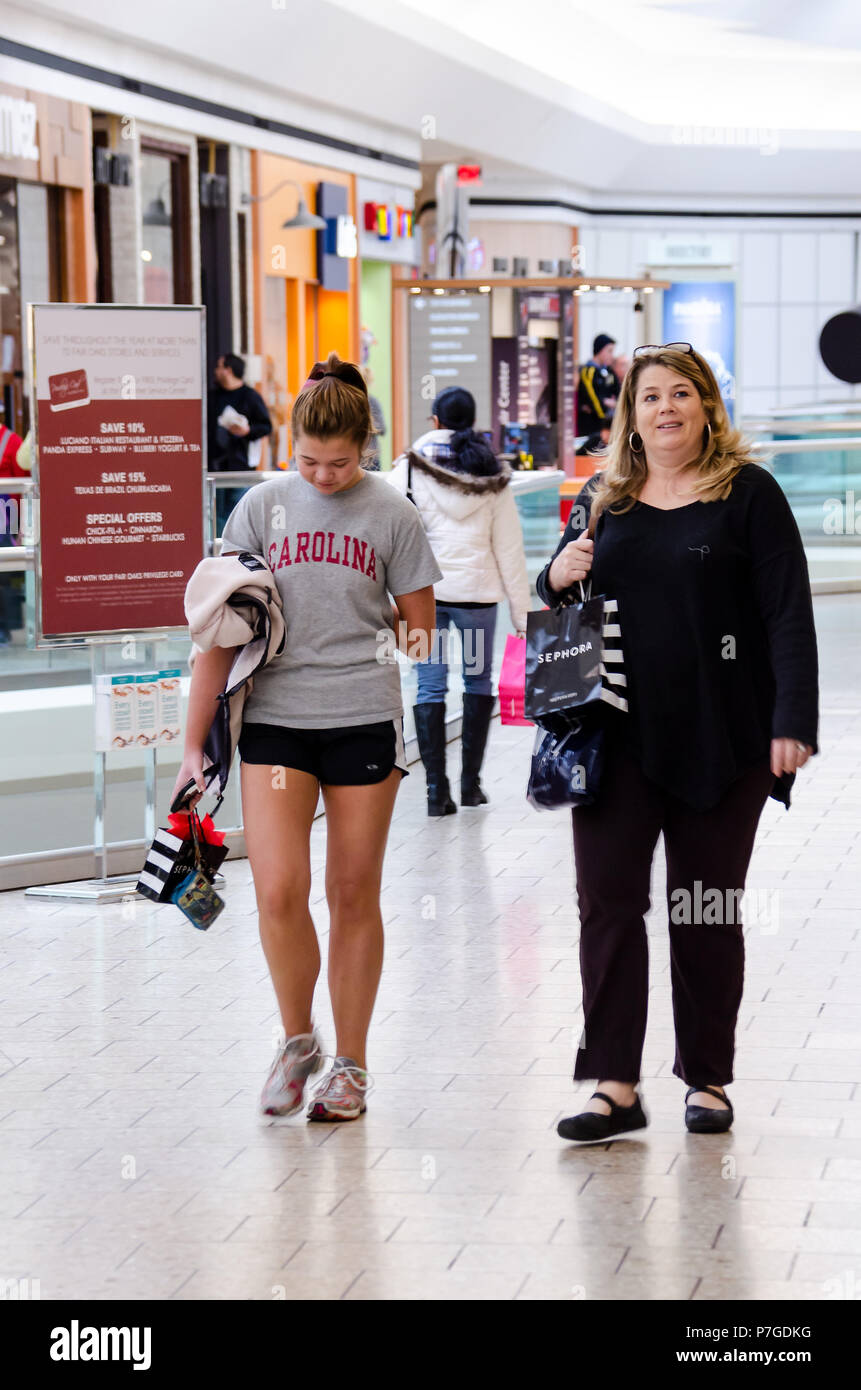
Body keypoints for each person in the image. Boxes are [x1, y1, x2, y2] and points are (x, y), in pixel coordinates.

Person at [537, 343, 818, 1143]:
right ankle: (613, 1084)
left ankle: (708, 1078)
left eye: (680, 395)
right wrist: (555, 574)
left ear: (705, 410)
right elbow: (558, 590)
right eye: (649, 395)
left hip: (721, 743)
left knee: (703, 911)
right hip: (613, 737)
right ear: (630, 414)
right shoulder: (604, 496)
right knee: (608, 908)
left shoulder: (748, 494)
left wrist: (791, 720)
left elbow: (786, 613)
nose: (664, 408)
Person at [173, 352, 442, 1122]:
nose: (324, 476)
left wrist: (369, 623)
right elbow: (218, 636)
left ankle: (350, 1068)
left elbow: (421, 639)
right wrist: (194, 746)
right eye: (309, 461)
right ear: (288, 446)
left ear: (366, 445)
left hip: (361, 719)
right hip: (275, 724)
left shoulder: (393, 513)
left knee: (352, 893)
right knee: (279, 890)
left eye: (342, 463)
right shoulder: (259, 508)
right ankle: (298, 1043)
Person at [388, 386, 530, 815]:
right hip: (475, 598)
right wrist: (523, 617)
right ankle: (471, 786)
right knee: (477, 682)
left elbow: (387, 534)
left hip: (424, 597)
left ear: (435, 421)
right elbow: (509, 549)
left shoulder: (409, 470)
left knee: (429, 683)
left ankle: (436, 791)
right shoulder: (491, 475)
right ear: (472, 422)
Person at [208, 352, 272, 534]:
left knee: (240, 513)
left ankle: (238, 554)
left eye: (219, 367)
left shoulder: (250, 396)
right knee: (217, 515)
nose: (216, 371)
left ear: (228, 370)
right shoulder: (212, 398)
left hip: (240, 466)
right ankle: (223, 554)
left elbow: (266, 427)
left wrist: (247, 431)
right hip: (215, 467)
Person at [577, 333, 618, 434]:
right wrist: (605, 413)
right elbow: (593, 399)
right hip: (593, 424)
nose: (612, 356)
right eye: (609, 351)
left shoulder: (608, 370)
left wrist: (617, 404)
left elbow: (618, 390)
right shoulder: (588, 371)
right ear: (600, 350)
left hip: (608, 423)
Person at [360, 366, 386, 471]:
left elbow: (381, 428)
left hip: (370, 457)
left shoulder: (372, 402)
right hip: (354, 456)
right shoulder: (346, 402)